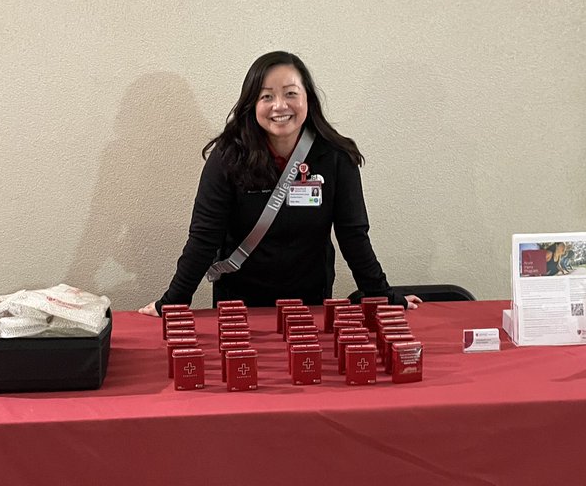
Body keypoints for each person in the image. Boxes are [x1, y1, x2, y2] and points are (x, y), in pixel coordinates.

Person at [139, 51, 419, 314]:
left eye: (290, 94)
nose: (280, 106)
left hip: (310, 301)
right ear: (252, 104)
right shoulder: (228, 156)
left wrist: (383, 296)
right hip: (238, 301)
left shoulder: (336, 157)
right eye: (266, 96)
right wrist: (173, 302)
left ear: (308, 97)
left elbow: (354, 237)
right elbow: (204, 238)